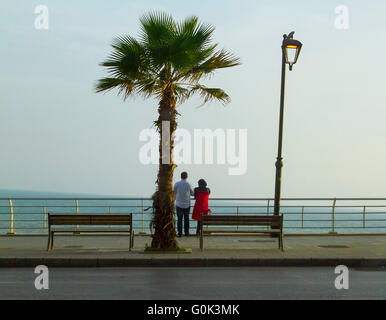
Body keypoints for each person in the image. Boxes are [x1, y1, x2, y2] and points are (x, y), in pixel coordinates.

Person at [173, 172, 194, 237]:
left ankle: (180, 233)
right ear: (187, 177)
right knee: (186, 219)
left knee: (179, 219)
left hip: (178, 204)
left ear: (180, 176)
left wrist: (174, 199)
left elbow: (174, 192)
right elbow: (192, 193)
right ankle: (187, 233)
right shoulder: (189, 184)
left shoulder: (177, 184)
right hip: (187, 204)